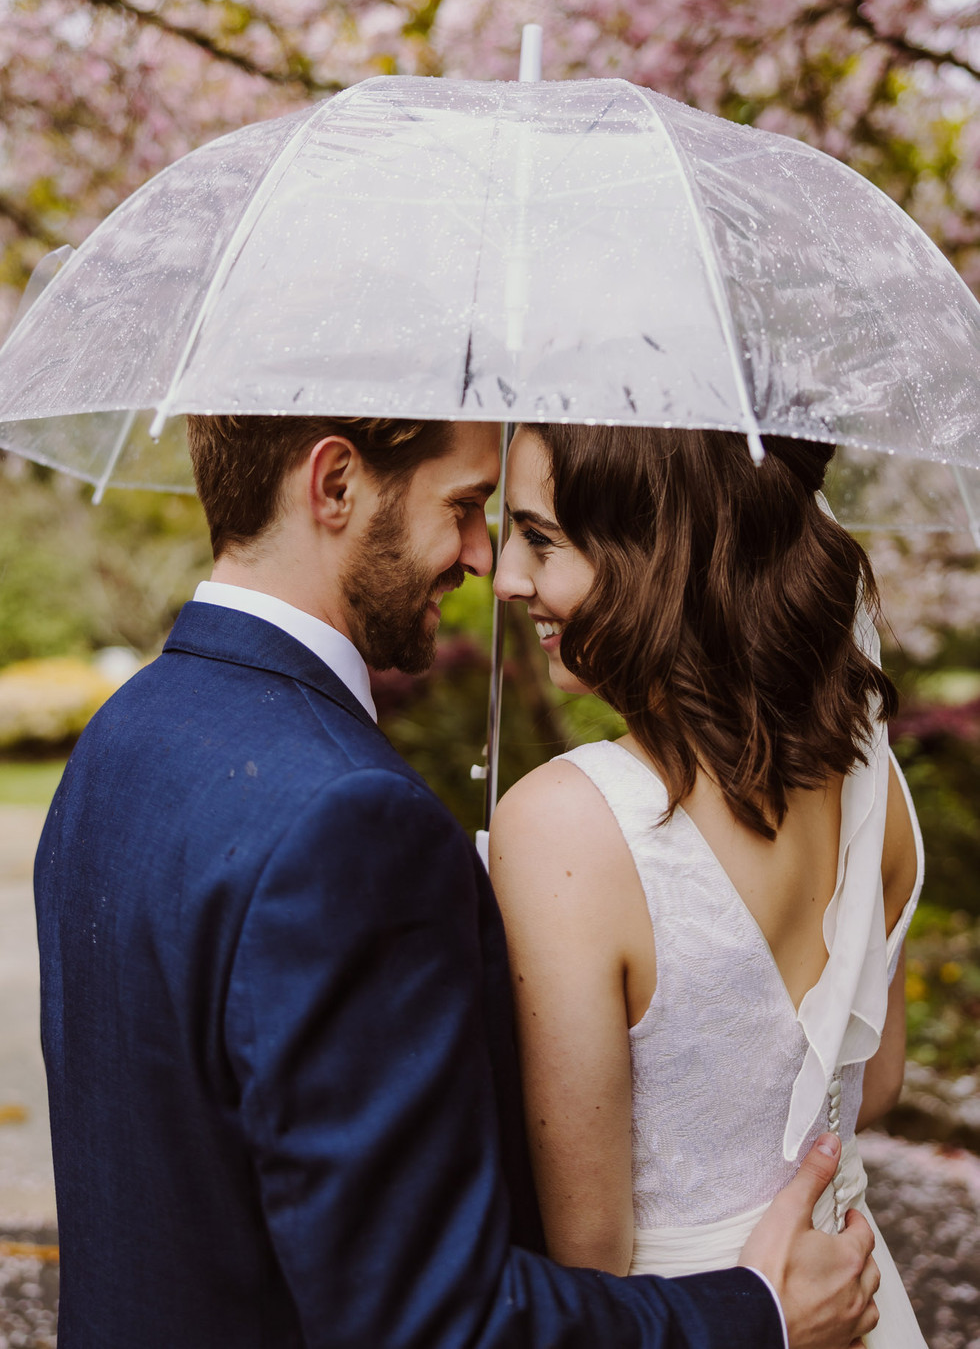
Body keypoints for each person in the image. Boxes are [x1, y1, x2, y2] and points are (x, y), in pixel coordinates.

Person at [35, 414, 879, 1349]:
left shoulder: (121, 741)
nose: (486, 559)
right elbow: (437, 1320)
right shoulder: (346, 819)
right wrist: (759, 1315)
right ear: (335, 484)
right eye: (468, 506)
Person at [490, 423, 926, 1347]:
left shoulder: (567, 826)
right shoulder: (874, 777)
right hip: (856, 1294)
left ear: (658, 548)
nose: (504, 577)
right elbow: (874, 1083)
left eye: (539, 538)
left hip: (692, 1320)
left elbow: (589, 1254)